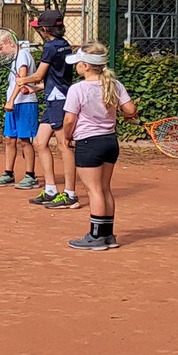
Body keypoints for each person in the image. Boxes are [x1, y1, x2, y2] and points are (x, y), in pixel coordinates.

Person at [61, 43, 139, 250]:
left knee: (94, 190)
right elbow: (130, 109)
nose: (76, 66)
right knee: (104, 188)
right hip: (110, 142)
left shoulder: (77, 89)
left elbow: (69, 120)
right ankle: (108, 236)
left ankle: (96, 237)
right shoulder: (114, 84)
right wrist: (126, 115)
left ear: (86, 66)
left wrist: (66, 138)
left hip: (89, 143)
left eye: (78, 63)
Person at [20, 10, 80, 210]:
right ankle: (51, 189)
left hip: (58, 101)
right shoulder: (64, 46)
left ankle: (70, 194)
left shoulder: (50, 47)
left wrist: (25, 80)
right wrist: (36, 88)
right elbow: (55, 78)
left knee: (64, 145)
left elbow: (39, 75)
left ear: (45, 29)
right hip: (55, 96)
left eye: (39, 27)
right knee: (40, 142)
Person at [0, 29, 39, 189]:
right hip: (15, 104)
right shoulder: (15, 59)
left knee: (24, 140)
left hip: (25, 104)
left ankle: (31, 176)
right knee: (10, 139)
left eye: (1, 47)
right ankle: (8, 173)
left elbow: (21, 79)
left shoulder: (23, 55)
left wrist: (11, 100)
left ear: (10, 43)